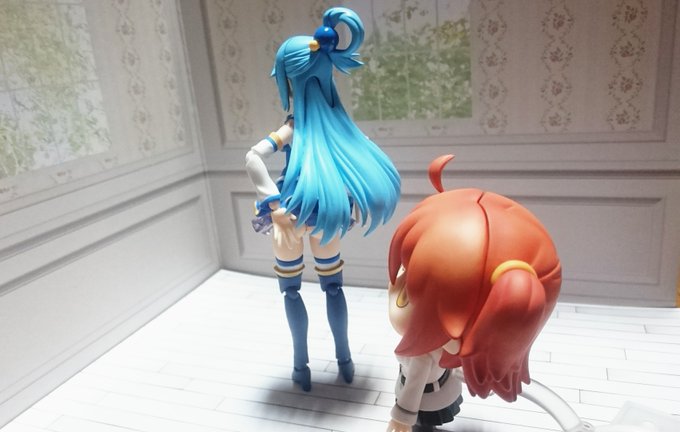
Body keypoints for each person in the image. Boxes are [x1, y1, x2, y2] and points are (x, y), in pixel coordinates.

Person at [245, 7, 400, 392]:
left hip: (292, 214)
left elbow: (252, 157)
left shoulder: (295, 128)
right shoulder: (334, 128)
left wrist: (276, 206)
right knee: (331, 287)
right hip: (319, 212)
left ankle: (305, 366)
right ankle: (340, 360)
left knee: (292, 290)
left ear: (291, 80)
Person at [386, 155, 561, 431]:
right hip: (442, 391)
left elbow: (414, 387)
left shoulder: (424, 353)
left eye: (408, 293)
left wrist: (401, 419)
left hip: (426, 400)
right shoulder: (445, 344)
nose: (393, 287)